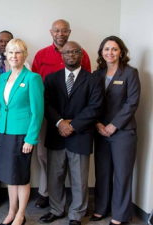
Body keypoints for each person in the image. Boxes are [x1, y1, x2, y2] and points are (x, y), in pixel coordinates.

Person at [39, 41, 104, 225]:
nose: (71, 54)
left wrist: (72, 125)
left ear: (82, 54)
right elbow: (46, 104)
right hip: (56, 135)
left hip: (81, 135)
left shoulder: (93, 79)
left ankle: (76, 214)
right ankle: (56, 209)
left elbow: (95, 107)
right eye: (67, 52)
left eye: (75, 51)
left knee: (79, 179)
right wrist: (60, 123)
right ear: (62, 55)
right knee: (55, 177)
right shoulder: (51, 79)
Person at [31, 19, 92, 208]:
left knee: (75, 163)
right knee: (45, 157)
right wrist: (58, 121)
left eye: (64, 31)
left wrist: (73, 122)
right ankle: (46, 193)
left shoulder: (83, 54)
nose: (60, 34)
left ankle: (73, 205)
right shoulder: (41, 55)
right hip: (48, 115)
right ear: (51, 32)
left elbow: (88, 86)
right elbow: (35, 85)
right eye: (56, 30)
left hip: (76, 118)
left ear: (69, 32)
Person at [0, 38, 44, 225]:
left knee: (21, 176)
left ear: (25, 55)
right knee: (9, 175)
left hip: (22, 135)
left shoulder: (32, 78)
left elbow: (37, 112)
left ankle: (21, 215)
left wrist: (31, 138)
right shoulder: (2, 77)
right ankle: (11, 211)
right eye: (11, 52)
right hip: (4, 132)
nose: (14, 55)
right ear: (6, 55)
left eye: (18, 52)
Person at [90, 36, 140, 225]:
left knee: (122, 174)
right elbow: (91, 103)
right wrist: (98, 124)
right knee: (102, 172)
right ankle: (101, 208)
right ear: (101, 52)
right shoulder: (97, 74)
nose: (110, 52)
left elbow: (132, 103)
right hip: (100, 130)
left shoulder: (130, 73)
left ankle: (120, 215)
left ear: (121, 52)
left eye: (114, 49)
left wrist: (114, 125)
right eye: (106, 49)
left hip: (123, 132)